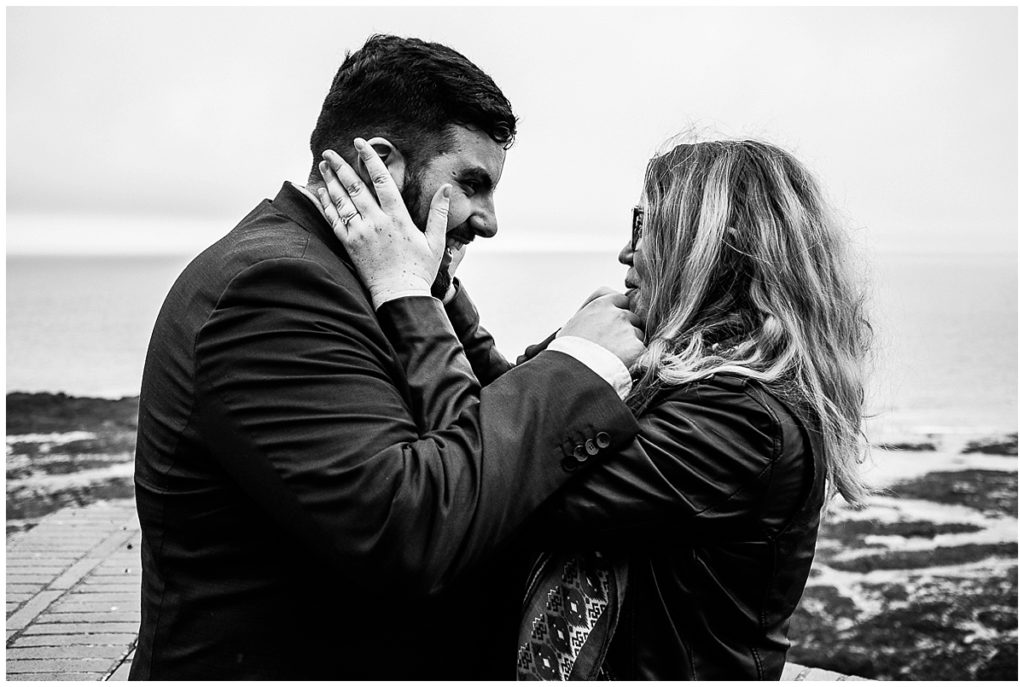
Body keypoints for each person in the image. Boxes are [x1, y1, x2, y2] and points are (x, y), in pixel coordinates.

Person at [130, 35, 646, 680]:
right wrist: (579, 368)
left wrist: (435, 293)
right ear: (380, 162)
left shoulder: (348, 277)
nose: (488, 221)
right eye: (472, 183)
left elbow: (470, 428)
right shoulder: (275, 289)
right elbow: (411, 528)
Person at [318, 137, 871, 680]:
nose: (627, 252)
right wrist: (443, 291)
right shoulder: (671, 371)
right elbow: (521, 423)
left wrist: (406, 294)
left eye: (646, 226)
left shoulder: (745, 421)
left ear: (712, 251)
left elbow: (505, 476)